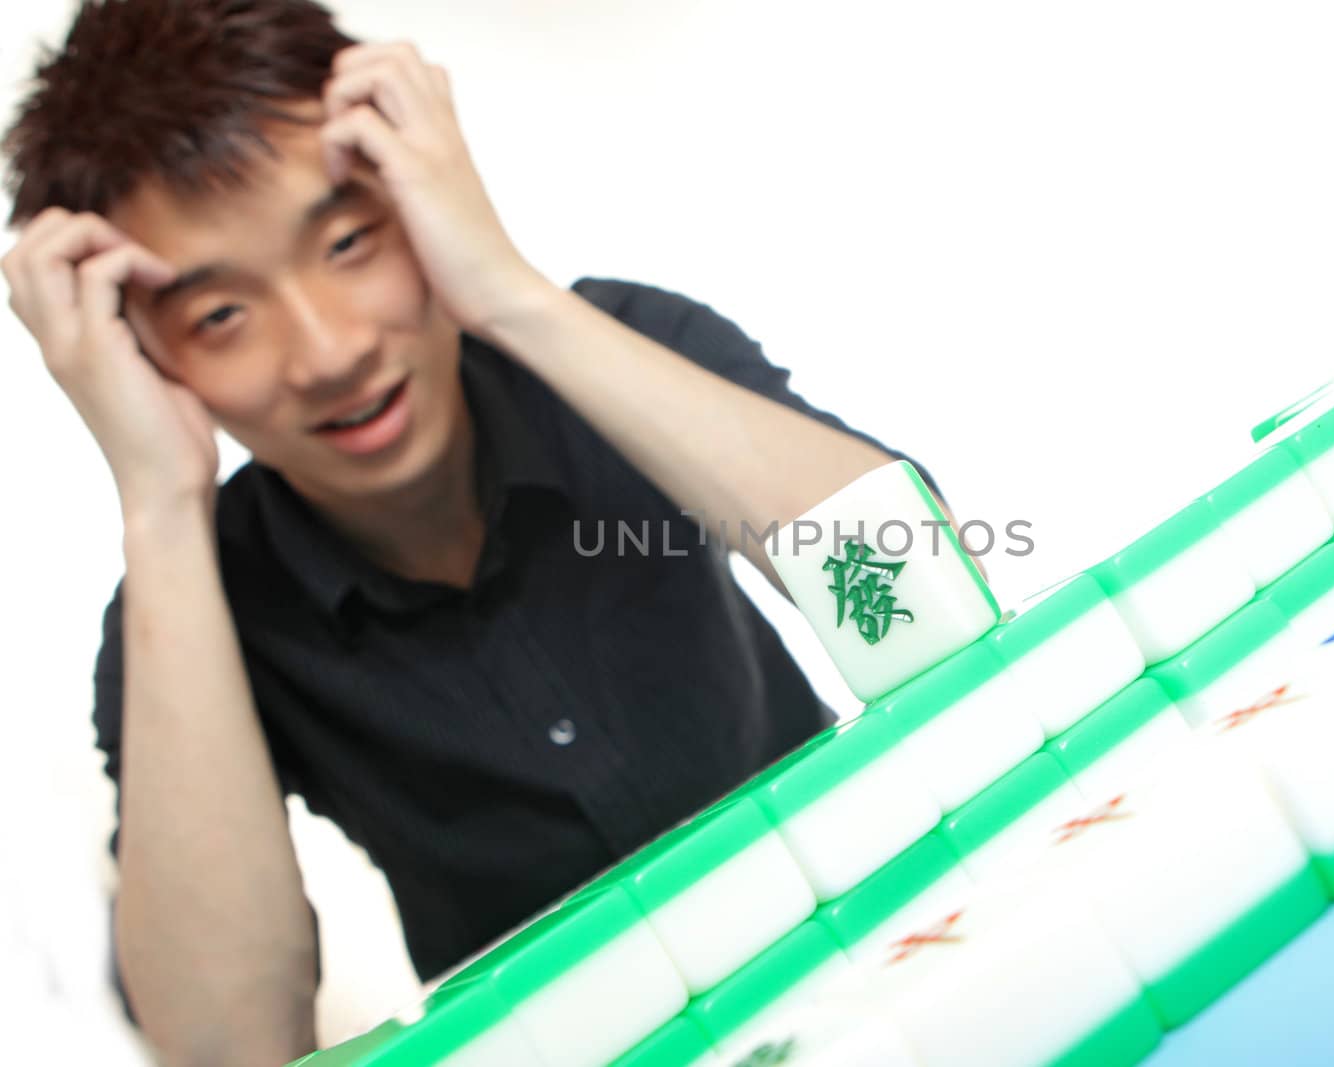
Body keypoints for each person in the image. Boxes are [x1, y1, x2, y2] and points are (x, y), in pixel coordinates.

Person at [0, 2, 946, 1063]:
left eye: (350, 240)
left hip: (903, 956)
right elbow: (226, 1045)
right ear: (149, 355)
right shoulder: (190, 604)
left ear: (419, 195)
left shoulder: (629, 344)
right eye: (220, 314)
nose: (328, 349)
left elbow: (927, 600)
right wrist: (157, 502)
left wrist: (505, 291)